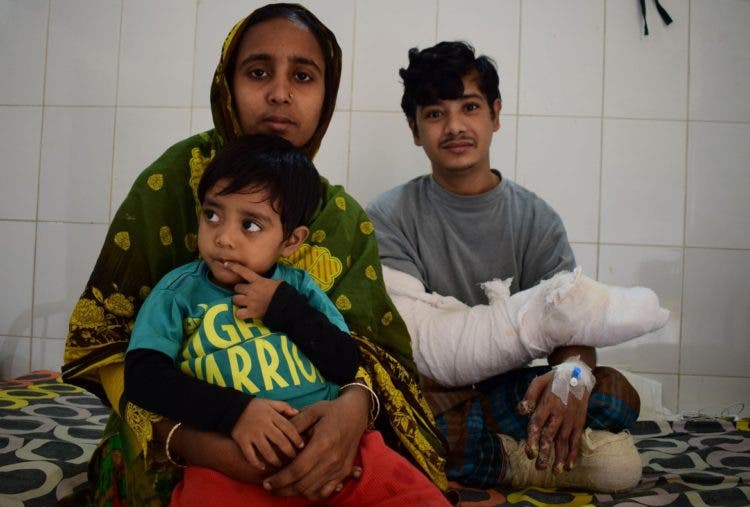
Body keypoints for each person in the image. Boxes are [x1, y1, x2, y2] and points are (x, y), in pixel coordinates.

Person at [62, 5, 446, 505]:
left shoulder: (344, 217)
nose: (280, 92)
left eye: (303, 76)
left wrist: (354, 410)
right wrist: (197, 442)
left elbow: (371, 354)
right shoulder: (176, 181)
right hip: (177, 438)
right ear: (227, 81)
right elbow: (105, 343)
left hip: (322, 440)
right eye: (258, 72)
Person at [366, 41, 662, 492]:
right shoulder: (389, 216)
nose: (455, 127)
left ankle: (485, 453)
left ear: (495, 115)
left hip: (512, 399)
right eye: (434, 114)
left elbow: (571, 329)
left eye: (469, 107)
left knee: (615, 393)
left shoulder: (535, 219)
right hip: (432, 398)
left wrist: (573, 378)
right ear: (414, 128)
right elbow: (406, 342)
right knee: (389, 422)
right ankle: (514, 461)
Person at [124, 134, 449, 506]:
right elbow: (144, 377)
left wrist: (284, 307)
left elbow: (345, 361)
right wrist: (236, 413)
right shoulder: (179, 292)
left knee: (419, 497)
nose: (224, 238)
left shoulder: (298, 289)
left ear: (291, 241)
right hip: (231, 463)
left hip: (339, 456)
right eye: (212, 214)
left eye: (250, 225)